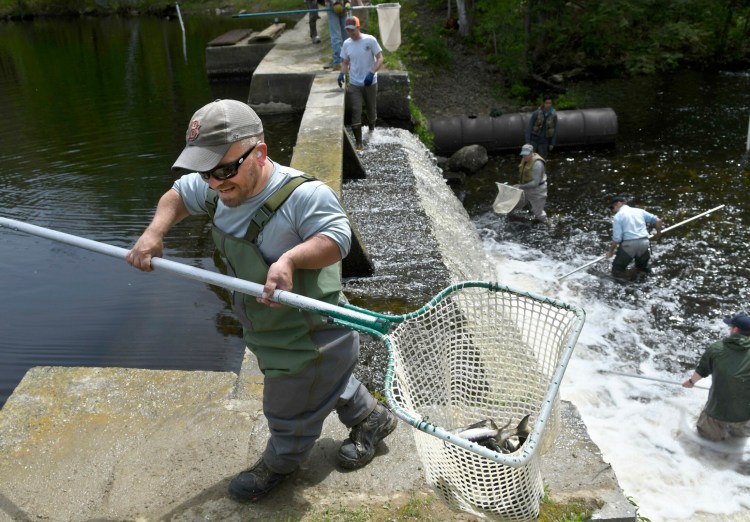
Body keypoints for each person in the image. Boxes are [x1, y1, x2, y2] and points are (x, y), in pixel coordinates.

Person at [126, 99, 396, 502]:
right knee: (321, 383)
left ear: (260, 153)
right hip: (268, 327)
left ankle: (282, 462)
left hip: (312, 336)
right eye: (205, 171)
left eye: (224, 170)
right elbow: (177, 196)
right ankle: (372, 419)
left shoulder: (304, 196)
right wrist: (155, 232)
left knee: (286, 407)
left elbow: (337, 239)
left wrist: (289, 259)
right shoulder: (217, 187)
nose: (214, 183)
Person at [682, 313, 750, 441]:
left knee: (705, 440)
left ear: (735, 330)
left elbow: (701, 371)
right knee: (739, 439)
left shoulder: (716, 349)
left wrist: (690, 382)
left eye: (731, 326)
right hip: (745, 415)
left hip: (716, 413)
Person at [338, 15, 384, 150]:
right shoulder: (346, 44)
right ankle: (359, 144)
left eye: (353, 29)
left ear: (358, 27)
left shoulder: (370, 40)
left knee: (371, 109)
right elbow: (345, 62)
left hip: (370, 82)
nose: (351, 33)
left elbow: (380, 58)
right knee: (356, 110)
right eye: (348, 30)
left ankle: (371, 131)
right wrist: (342, 73)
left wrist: (372, 72)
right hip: (355, 83)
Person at [605, 196, 662, 278]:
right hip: (644, 243)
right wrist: (658, 233)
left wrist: (610, 251)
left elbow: (617, 238)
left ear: (618, 203)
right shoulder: (639, 211)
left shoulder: (618, 216)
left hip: (629, 245)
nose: (612, 210)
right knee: (642, 268)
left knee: (617, 270)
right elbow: (658, 220)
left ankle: (625, 286)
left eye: (612, 207)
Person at [512, 143, 547, 222]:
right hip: (525, 187)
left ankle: (548, 225)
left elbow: (535, 183)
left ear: (531, 153)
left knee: (539, 214)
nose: (525, 157)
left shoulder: (537, 164)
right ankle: (511, 218)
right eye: (523, 155)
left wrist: (520, 186)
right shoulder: (524, 159)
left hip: (537, 190)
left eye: (526, 155)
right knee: (515, 204)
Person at [325, 0, 364, 67]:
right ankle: (338, 62)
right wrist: (335, 3)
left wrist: (348, 2)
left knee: (348, 34)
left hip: (345, 8)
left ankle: (349, 59)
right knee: (336, 36)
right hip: (332, 7)